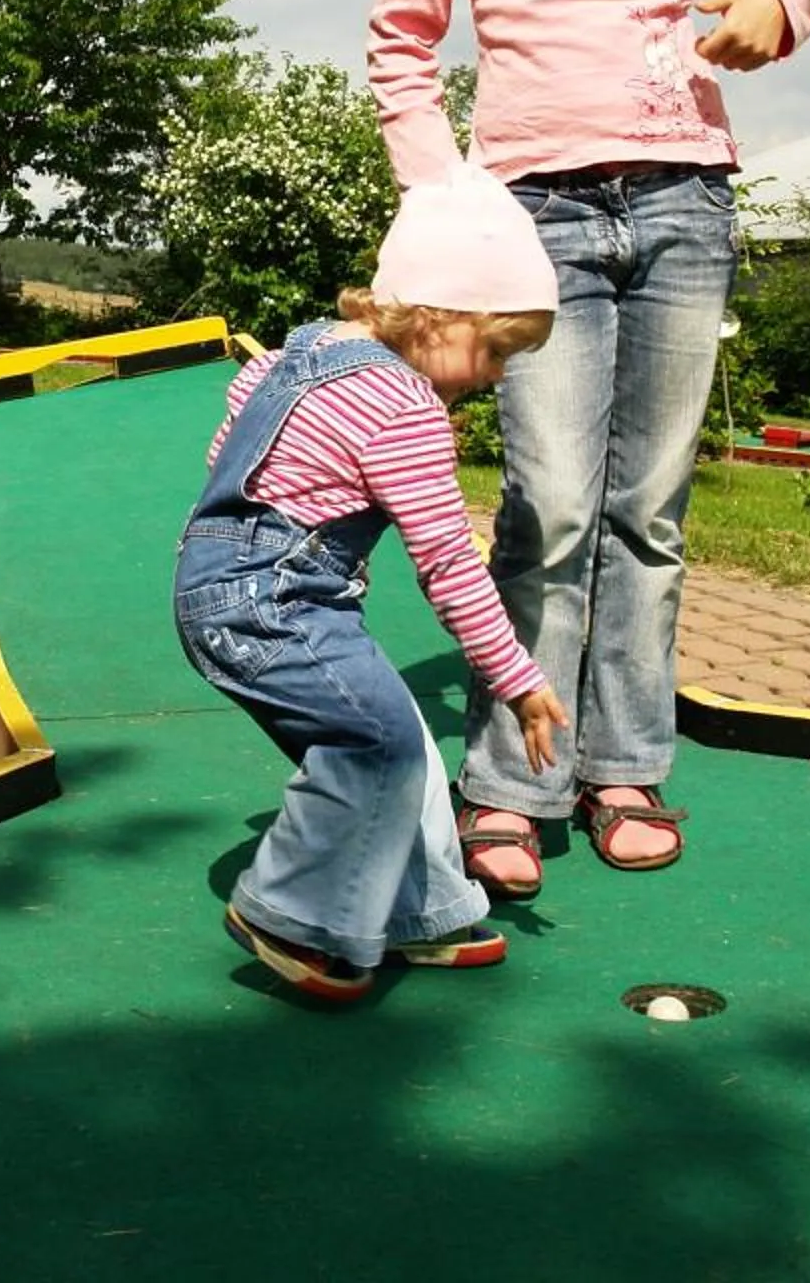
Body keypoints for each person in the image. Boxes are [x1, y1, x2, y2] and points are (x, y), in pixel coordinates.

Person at [367, 0, 810, 889]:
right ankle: (515, 779)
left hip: (685, 201)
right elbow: (403, 44)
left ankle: (625, 762)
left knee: (649, 510)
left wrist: (769, 4)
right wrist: (445, 202)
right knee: (557, 500)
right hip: (539, 220)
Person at [176, 166, 570, 1002]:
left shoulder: (303, 350)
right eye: (495, 349)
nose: (496, 375)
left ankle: (416, 914)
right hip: (274, 601)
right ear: (436, 315)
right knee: (375, 744)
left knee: (408, 746)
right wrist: (518, 679)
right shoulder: (403, 406)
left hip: (221, 581)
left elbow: (233, 455)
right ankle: (289, 908)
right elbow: (449, 564)